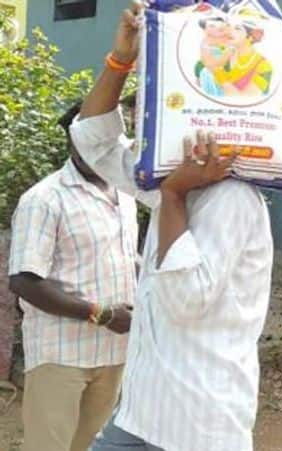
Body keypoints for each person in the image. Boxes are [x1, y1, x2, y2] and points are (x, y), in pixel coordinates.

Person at [70, 4, 274, 450]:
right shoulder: (172, 180)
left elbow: (185, 300)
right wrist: (120, 59)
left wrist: (175, 196)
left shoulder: (232, 198)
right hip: (143, 411)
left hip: (197, 425)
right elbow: (92, 141)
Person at [7, 103, 137, 451]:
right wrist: (103, 314)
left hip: (113, 352)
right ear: (72, 141)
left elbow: (121, 259)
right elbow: (23, 281)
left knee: (87, 446)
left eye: (109, 139)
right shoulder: (45, 199)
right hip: (61, 355)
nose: (101, 148)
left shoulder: (125, 196)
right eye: (91, 139)